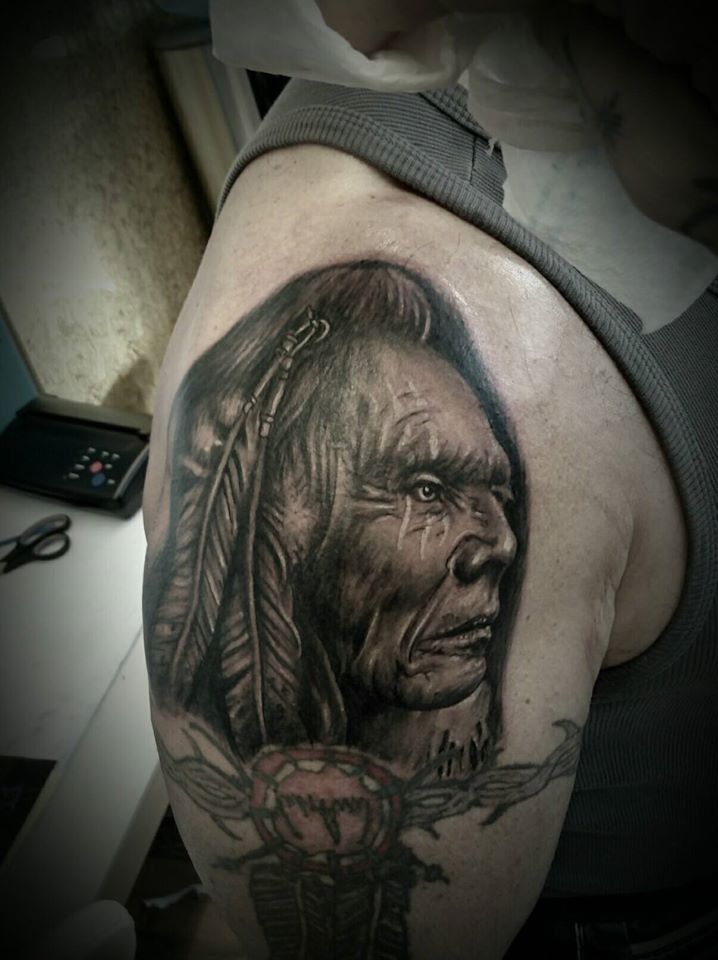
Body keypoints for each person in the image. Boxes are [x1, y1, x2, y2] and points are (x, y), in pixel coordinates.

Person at [142, 2, 718, 957]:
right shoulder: (443, 306)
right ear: (292, 526)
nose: (503, 540)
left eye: (495, 492)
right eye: (426, 488)